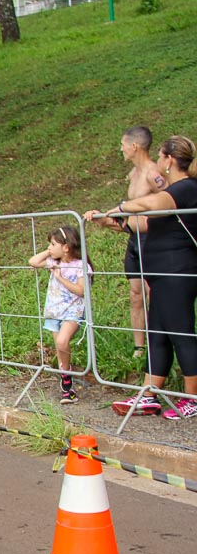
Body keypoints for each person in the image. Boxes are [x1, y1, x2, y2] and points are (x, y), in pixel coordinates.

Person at [86, 135, 197, 420]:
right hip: (161, 275)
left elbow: (152, 203)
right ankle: (149, 394)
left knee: (181, 334)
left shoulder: (186, 188)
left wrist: (122, 206)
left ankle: (192, 398)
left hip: (177, 273)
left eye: (160, 157)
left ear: (169, 159)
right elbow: (146, 225)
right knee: (158, 334)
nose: (159, 163)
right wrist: (113, 222)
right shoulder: (175, 192)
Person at [94, 127, 166, 358]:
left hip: (152, 239)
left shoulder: (153, 173)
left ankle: (159, 342)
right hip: (134, 239)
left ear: (134, 146)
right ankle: (139, 347)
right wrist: (108, 221)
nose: (121, 149)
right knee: (135, 293)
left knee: (151, 291)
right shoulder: (133, 175)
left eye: (123, 144)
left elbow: (170, 202)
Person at [28, 226, 91, 405]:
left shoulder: (81, 265)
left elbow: (81, 291)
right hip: (54, 311)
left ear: (66, 246)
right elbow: (32, 261)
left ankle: (66, 381)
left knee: (63, 341)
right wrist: (49, 252)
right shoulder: (54, 262)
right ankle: (67, 384)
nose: (49, 247)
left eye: (53, 244)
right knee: (59, 346)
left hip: (72, 312)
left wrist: (60, 277)